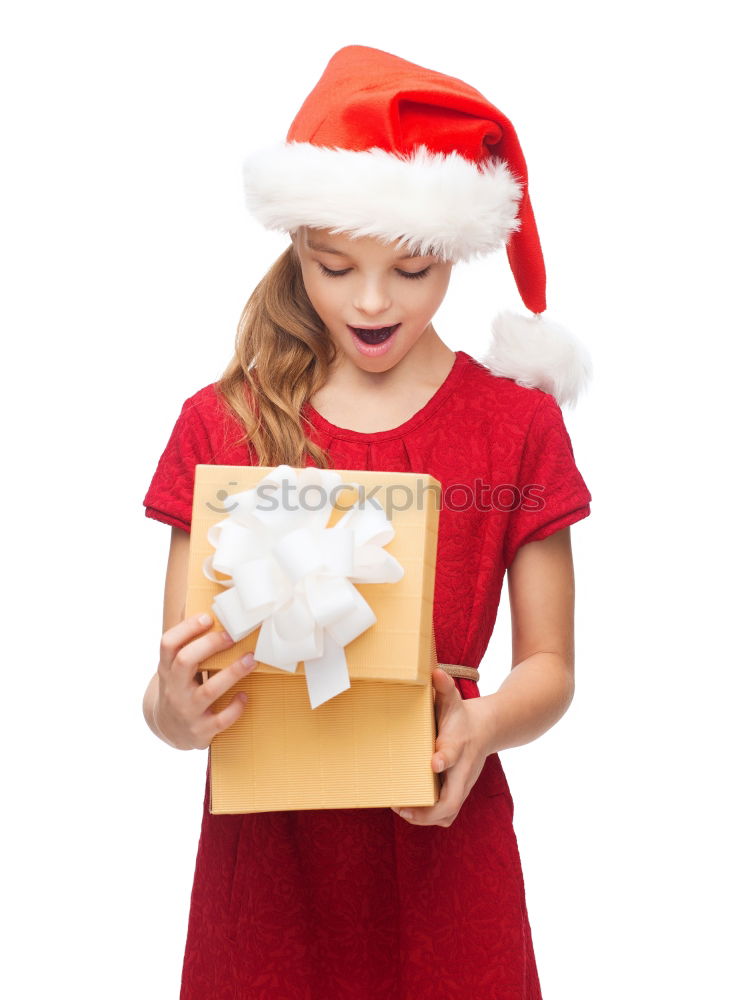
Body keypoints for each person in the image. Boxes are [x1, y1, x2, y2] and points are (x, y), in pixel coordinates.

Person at [142, 44, 592, 1000]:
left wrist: (480, 726)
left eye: (415, 270)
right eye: (335, 266)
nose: (374, 301)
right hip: (265, 878)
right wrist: (173, 713)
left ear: (458, 254)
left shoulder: (517, 426)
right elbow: (171, 685)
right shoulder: (220, 423)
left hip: (445, 860)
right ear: (298, 242)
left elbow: (551, 667)